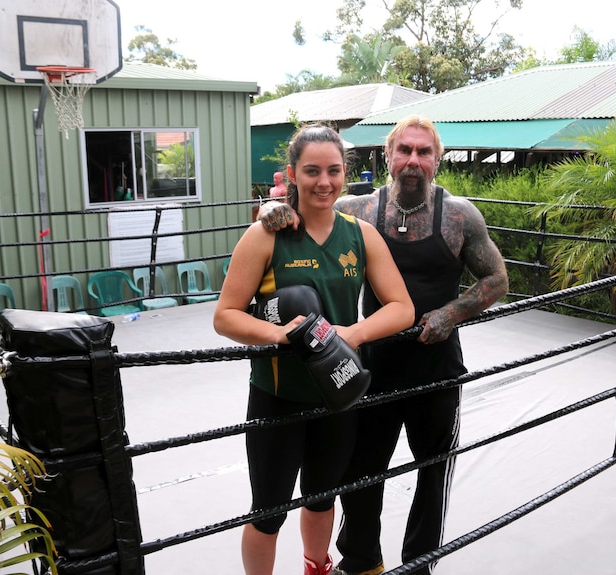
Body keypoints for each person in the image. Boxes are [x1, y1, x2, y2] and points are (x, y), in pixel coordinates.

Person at [257, 115, 509, 575]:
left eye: (424, 151)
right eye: (405, 150)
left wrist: (453, 312)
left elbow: (497, 279)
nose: (414, 160)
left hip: (437, 368)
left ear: (437, 159)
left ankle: (419, 564)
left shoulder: (459, 215)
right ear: (388, 155)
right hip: (370, 364)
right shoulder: (359, 211)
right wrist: (274, 210)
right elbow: (300, 213)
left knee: (433, 471)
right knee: (359, 472)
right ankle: (361, 561)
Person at [213, 123, 414, 575]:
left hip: (338, 390)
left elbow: (402, 307)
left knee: (323, 496)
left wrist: (352, 334)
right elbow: (225, 315)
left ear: (345, 173)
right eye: (312, 171)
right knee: (268, 511)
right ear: (292, 174)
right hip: (277, 394)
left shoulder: (359, 235)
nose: (324, 182)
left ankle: (316, 567)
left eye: (333, 171)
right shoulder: (265, 235)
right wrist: (281, 336)